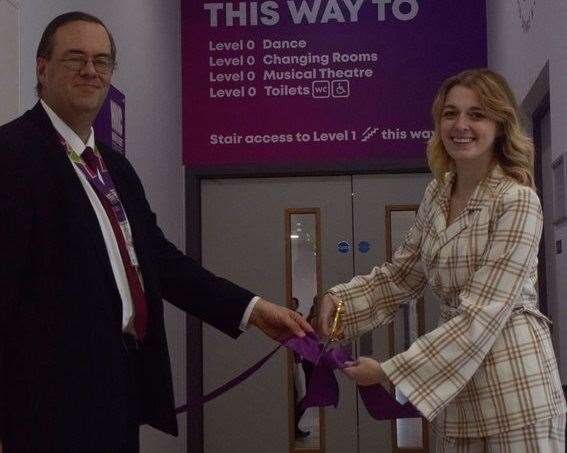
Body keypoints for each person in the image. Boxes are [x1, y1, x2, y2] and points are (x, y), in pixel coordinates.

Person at [0, 12, 312, 453]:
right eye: (75, 58)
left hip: (119, 388)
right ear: (42, 67)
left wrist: (255, 310)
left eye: (102, 61)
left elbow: (161, 263)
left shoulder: (115, 168)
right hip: (41, 405)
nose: (91, 70)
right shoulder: (12, 155)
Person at [317, 69, 566, 451]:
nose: (461, 125)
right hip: (456, 395)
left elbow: (483, 312)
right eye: (451, 114)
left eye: (477, 114)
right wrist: (339, 304)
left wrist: (389, 372)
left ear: (499, 126)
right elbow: (401, 276)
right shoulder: (437, 193)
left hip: (516, 392)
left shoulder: (517, 200)